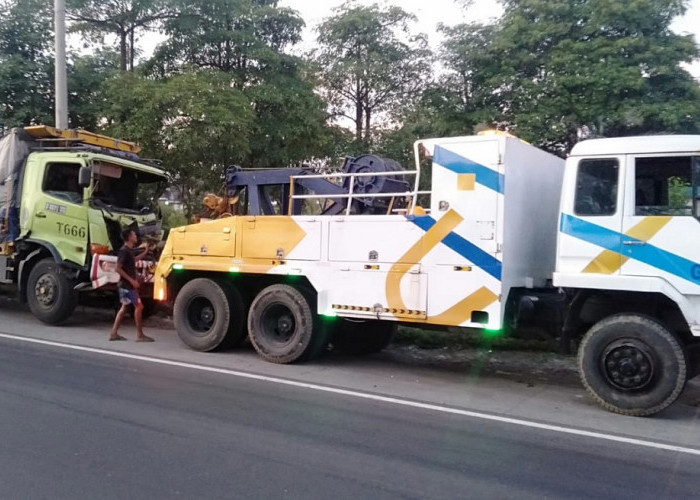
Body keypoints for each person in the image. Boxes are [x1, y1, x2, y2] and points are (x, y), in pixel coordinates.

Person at [110, 228, 154, 342]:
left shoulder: (128, 250)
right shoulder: (124, 251)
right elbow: (118, 268)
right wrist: (131, 280)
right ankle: (140, 335)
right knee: (139, 307)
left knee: (124, 308)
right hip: (127, 286)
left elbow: (133, 260)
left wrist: (145, 252)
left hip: (124, 285)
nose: (136, 236)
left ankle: (114, 333)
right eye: (134, 234)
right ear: (129, 237)